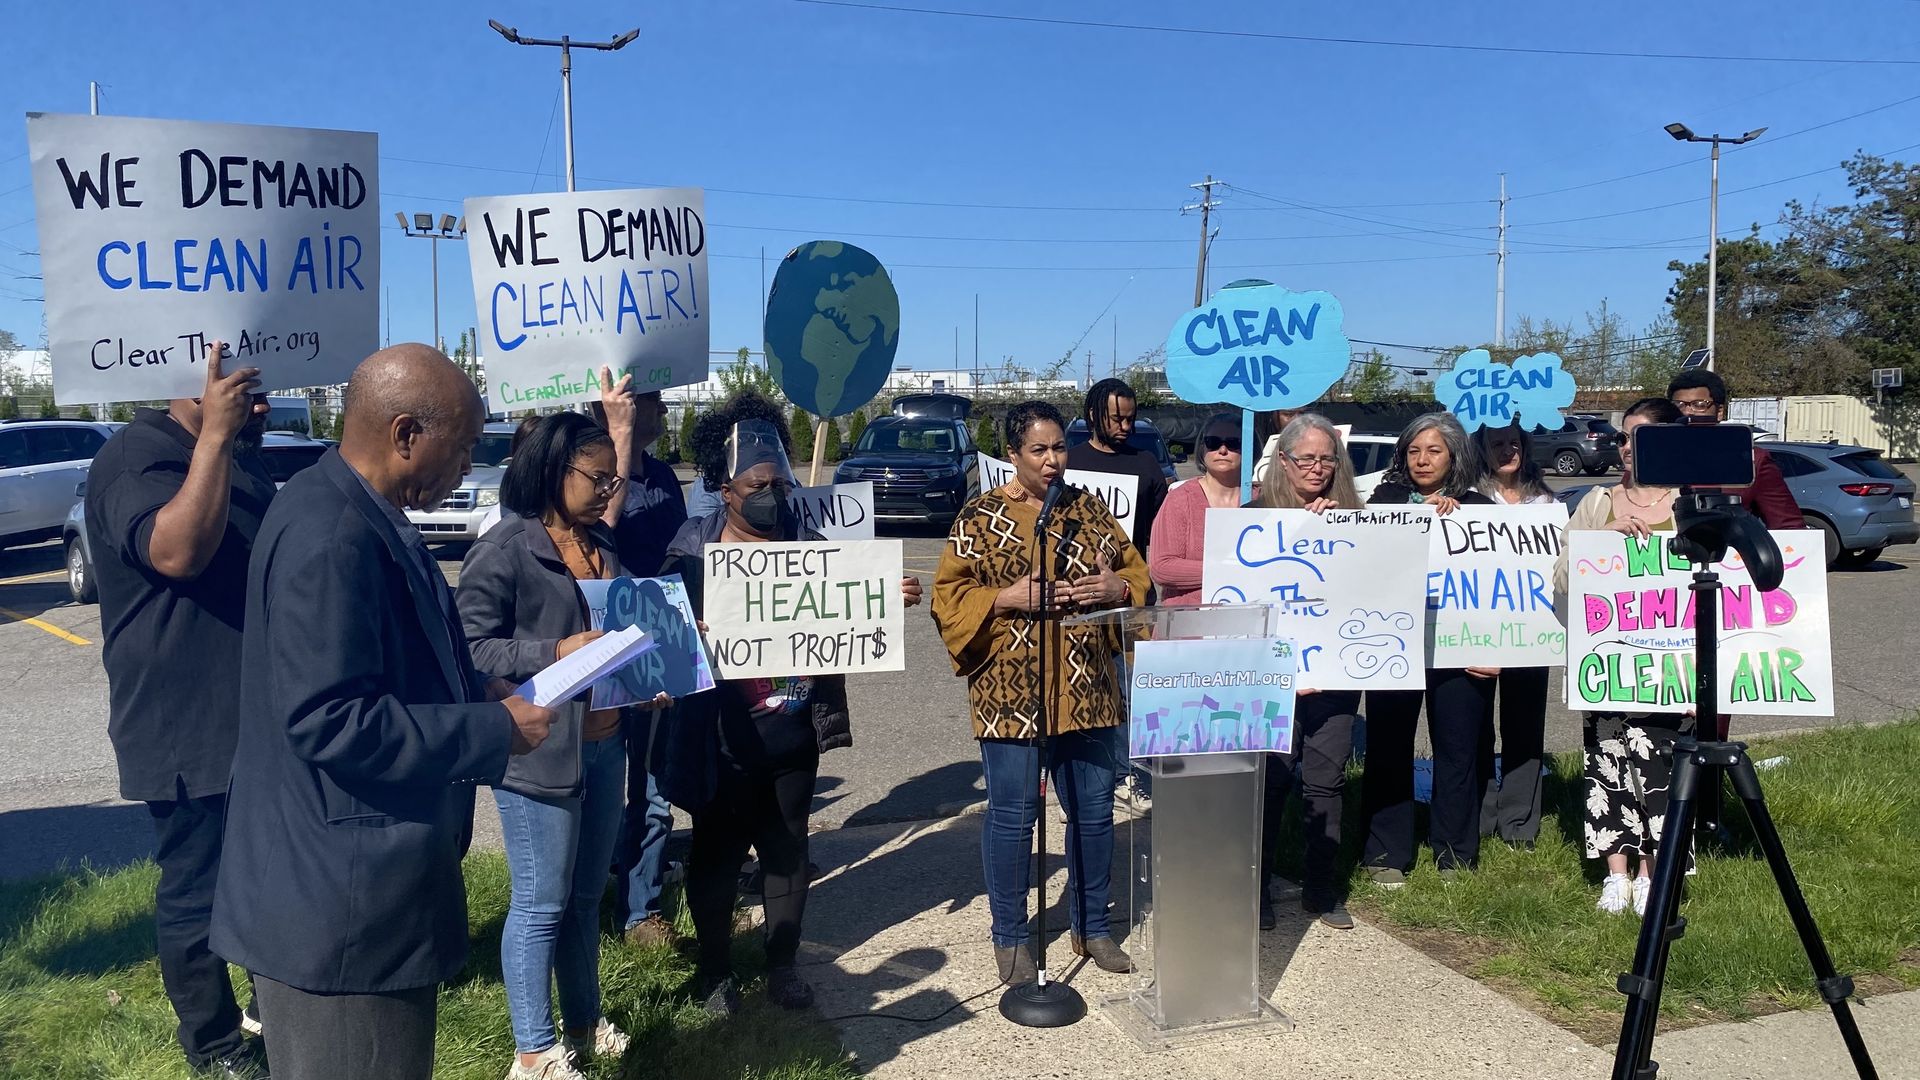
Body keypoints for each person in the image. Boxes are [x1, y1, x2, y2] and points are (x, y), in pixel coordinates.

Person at [212, 344, 558, 1080]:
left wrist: (478, 691)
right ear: (405, 434)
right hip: (340, 911)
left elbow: (384, 659)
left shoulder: (354, 508)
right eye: (461, 446)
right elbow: (329, 717)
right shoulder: (330, 533)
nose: (469, 465)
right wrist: (493, 731)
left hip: (359, 892)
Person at [659, 392, 923, 1015]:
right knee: (716, 859)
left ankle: (782, 963)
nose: (772, 493)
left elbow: (850, 608)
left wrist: (885, 596)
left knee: (787, 852)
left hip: (794, 733)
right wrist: (686, 624)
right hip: (722, 739)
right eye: (758, 483)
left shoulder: (815, 541)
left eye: (780, 481)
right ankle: (715, 972)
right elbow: (660, 638)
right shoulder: (689, 553)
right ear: (723, 488)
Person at [457, 412, 669, 1080]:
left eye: (614, 478)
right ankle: (534, 1052)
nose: (611, 490)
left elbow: (628, 631)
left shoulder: (603, 547)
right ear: (553, 470)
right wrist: (554, 651)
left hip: (605, 748)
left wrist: (650, 677)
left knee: (583, 901)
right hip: (536, 755)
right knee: (540, 903)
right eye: (598, 477)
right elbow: (470, 648)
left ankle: (582, 1022)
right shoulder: (507, 548)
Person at [85, 342, 274, 1079]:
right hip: (185, 720)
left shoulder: (238, 456)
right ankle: (216, 1045)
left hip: (256, 713)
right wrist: (220, 439)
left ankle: (276, 1003)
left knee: (262, 876)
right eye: (244, 391)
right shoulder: (138, 456)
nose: (260, 405)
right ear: (191, 387)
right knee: (198, 893)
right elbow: (176, 553)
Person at [932, 401, 1150, 985]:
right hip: (1010, 688)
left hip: (1088, 688)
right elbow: (946, 598)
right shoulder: (978, 517)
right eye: (1039, 450)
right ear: (1012, 455)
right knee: (1014, 815)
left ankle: (1091, 924)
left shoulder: (1090, 509)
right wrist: (1006, 598)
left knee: (1095, 811)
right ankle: (1011, 935)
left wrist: (1116, 587)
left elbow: (1139, 579)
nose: (1053, 461)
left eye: (1059, 448)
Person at [1556, 397, 1690, 916]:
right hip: (1609, 661)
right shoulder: (1595, 502)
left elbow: (1720, 592)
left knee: (1662, 767)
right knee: (1608, 764)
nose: (1626, 446)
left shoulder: (1690, 504)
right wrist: (1599, 541)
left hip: (1670, 666)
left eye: (1638, 437)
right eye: (1623, 437)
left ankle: (1655, 873)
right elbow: (1562, 578)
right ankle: (1617, 874)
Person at [1361, 412, 1498, 881]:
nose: (1421, 460)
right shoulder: (1385, 500)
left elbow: (1505, 588)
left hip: (1460, 649)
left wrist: (1497, 649)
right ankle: (1385, 852)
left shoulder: (1479, 509)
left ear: (1455, 455)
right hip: (1393, 644)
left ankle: (1456, 852)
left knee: (1458, 751)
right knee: (1386, 746)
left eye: (1433, 450)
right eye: (1413, 451)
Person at [1253, 413, 1365, 930]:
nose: (1318, 468)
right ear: (1283, 461)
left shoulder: (1355, 521)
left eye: (1327, 458)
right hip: (1272, 681)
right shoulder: (1252, 521)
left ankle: (1321, 890)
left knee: (1327, 782)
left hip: (1336, 679)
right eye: (1307, 458)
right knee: (1269, 783)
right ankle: (1256, 892)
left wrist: (1340, 533)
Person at [591, 367, 690, 948]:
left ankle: (640, 912)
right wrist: (618, 440)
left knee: (654, 791)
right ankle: (594, 895)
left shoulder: (665, 479)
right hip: (603, 644)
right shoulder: (586, 475)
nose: (658, 408)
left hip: (662, 642)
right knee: (599, 783)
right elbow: (600, 529)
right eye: (645, 398)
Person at [1471, 421, 1556, 851]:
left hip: (1531, 630)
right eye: (1496, 443)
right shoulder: (1468, 500)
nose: (1507, 450)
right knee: (1477, 729)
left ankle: (1520, 822)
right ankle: (1482, 816)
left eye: (1514, 442)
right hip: (1475, 629)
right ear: (1480, 450)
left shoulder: (1548, 502)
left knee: (1525, 729)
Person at [1667, 368, 1803, 532]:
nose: (1687, 412)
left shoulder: (1753, 460)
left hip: (1730, 555)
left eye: (1699, 405)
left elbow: (1789, 527)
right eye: (1678, 405)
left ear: (1719, 412)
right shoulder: (1652, 458)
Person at [1148, 411, 1243, 606]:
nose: (1223, 450)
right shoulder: (1180, 499)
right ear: (1202, 449)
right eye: (1213, 442)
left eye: (1233, 443)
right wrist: (1229, 571)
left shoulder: (1265, 499)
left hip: (1250, 624)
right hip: (1186, 627)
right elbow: (1161, 567)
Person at [1066, 377, 1168, 556]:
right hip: (1075, 577)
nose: (1126, 426)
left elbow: (1161, 528)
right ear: (1093, 414)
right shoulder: (1067, 463)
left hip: (1130, 578)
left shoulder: (1146, 463)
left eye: (1130, 419)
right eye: (1117, 419)